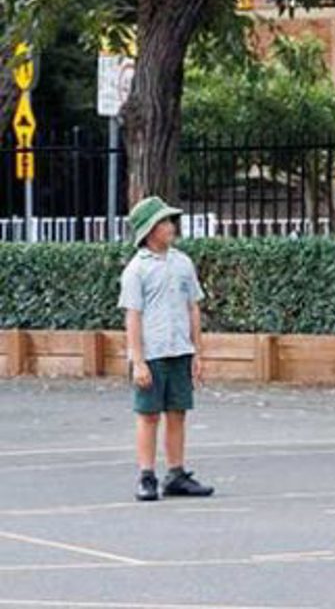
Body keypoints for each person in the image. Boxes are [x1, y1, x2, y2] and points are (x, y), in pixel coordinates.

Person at [118, 196, 213, 502]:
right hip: (153, 353)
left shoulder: (183, 263)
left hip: (179, 350)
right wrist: (139, 360)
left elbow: (192, 308)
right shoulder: (137, 270)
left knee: (177, 412)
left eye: (170, 221)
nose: (170, 226)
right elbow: (133, 315)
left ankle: (176, 473)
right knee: (148, 415)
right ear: (149, 230)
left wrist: (197, 352)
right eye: (163, 222)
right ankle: (146, 474)